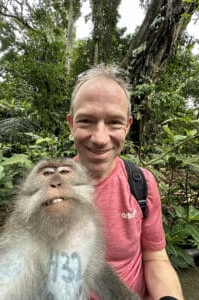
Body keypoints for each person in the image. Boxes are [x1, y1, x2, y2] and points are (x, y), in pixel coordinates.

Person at [66, 64, 184, 300]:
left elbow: (155, 257)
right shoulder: (48, 190)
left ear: (128, 126)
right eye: (86, 121)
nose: (100, 139)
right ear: (71, 124)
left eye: (114, 122)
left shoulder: (140, 184)